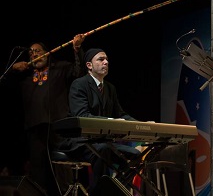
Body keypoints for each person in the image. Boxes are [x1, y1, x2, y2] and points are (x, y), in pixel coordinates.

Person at [8, 34, 85, 196]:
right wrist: (13, 70)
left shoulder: (60, 68)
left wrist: (77, 50)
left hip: (58, 127)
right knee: (38, 173)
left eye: (38, 51)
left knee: (63, 168)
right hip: (35, 129)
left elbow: (79, 72)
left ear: (48, 53)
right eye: (31, 53)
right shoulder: (25, 76)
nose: (34, 54)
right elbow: (4, 84)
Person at [59, 48, 141, 194]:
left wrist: (140, 125)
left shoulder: (110, 88)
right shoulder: (79, 84)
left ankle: (112, 190)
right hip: (80, 141)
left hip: (100, 142)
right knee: (103, 150)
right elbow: (81, 115)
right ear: (89, 65)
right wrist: (112, 121)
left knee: (135, 155)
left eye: (107, 59)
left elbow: (121, 114)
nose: (106, 62)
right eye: (101, 59)